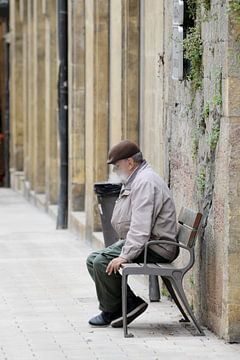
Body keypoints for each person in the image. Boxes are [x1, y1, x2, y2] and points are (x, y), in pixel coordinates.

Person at [86, 139, 178, 327]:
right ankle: (121, 306)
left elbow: (141, 226)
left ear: (130, 162)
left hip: (157, 246)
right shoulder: (137, 178)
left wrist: (125, 256)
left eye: (117, 166)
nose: (115, 171)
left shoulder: (145, 182)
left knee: (101, 261)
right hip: (148, 242)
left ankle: (122, 307)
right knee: (92, 259)